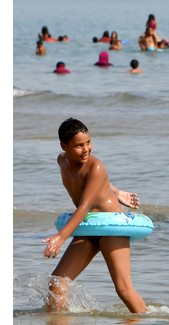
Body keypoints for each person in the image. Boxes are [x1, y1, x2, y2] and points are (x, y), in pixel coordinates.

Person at [42, 118, 147, 314]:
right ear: (64, 146)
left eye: (88, 142)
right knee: (56, 285)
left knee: (123, 289)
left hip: (111, 229)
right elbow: (93, 186)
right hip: (90, 227)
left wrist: (60, 238)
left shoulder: (95, 165)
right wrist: (116, 192)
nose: (86, 149)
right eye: (79, 145)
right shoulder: (61, 161)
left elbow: (84, 205)